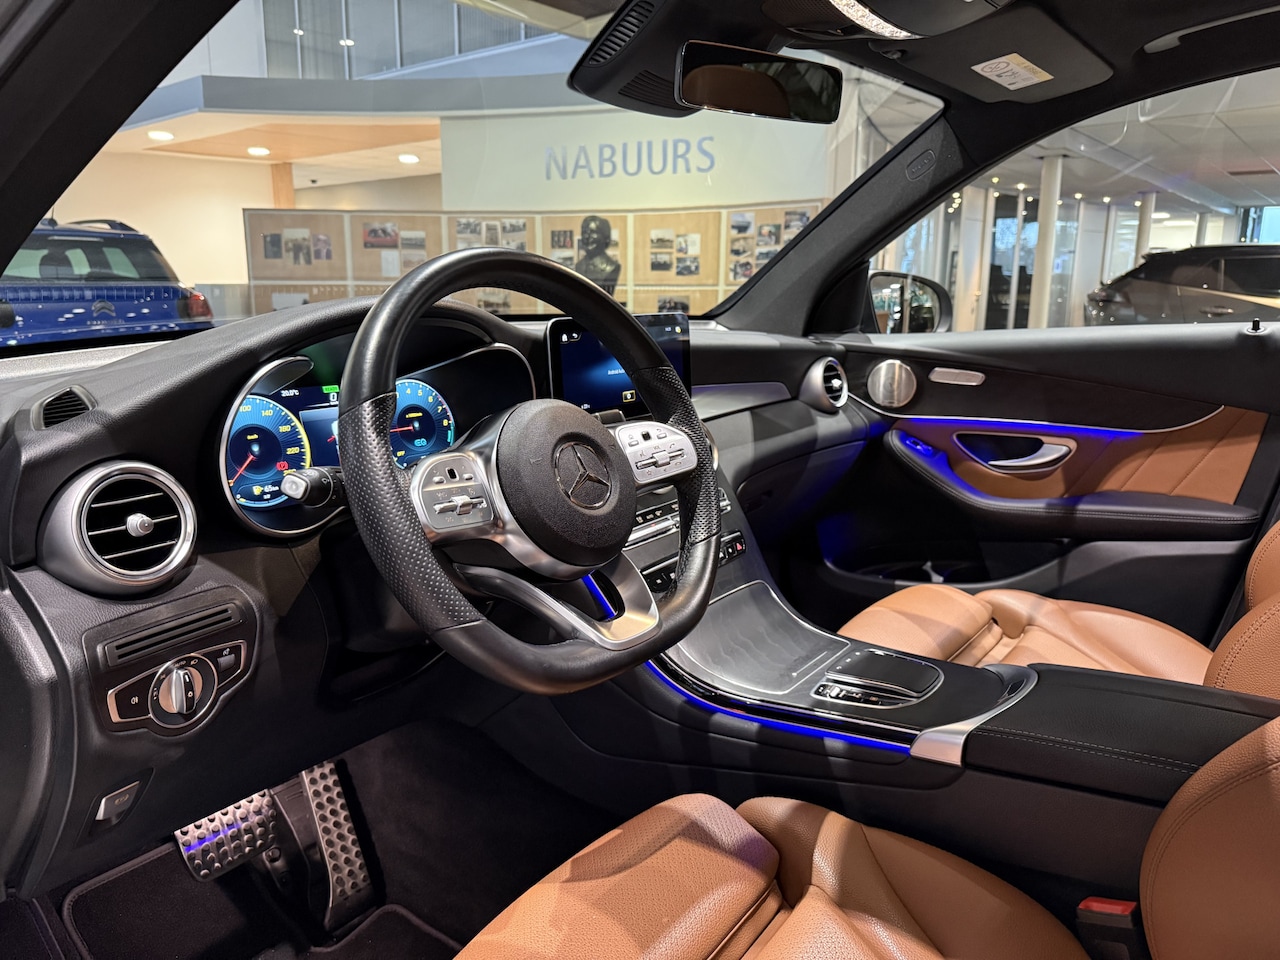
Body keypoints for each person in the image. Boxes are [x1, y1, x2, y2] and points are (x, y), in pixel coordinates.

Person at [574, 215, 621, 295]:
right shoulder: (579, 265)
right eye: (584, 232)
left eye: (593, 232)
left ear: (605, 237)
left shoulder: (611, 267)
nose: (587, 236)